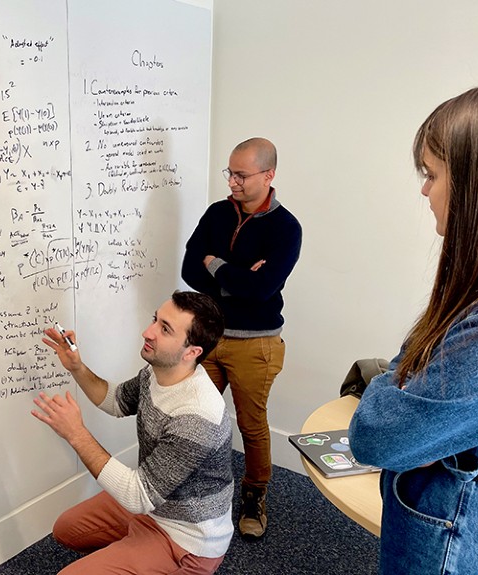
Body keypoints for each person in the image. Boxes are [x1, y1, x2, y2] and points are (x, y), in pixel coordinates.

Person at [349, 83, 478, 575]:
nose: (425, 190)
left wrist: (404, 389)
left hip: (460, 535)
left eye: (433, 174)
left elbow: (378, 434)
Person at [31, 291, 232, 574]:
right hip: (153, 507)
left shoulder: (198, 416)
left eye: (164, 329)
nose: (147, 332)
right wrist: (77, 367)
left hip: (187, 541)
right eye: (155, 320)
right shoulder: (157, 372)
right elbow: (115, 401)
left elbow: (137, 495)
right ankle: (134, 553)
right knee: (66, 529)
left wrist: (76, 433)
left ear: (192, 352)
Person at [181, 137, 302, 538]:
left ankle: (254, 495)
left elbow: (261, 290)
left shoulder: (287, 228)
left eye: (242, 175)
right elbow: (189, 270)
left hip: (257, 342)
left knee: (251, 425)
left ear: (269, 175)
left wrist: (214, 263)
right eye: (229, 172)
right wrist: (237, 274)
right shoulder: (218, 212)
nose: (232, 181)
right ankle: (196, 492)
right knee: (197, 418)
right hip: (210, 336)